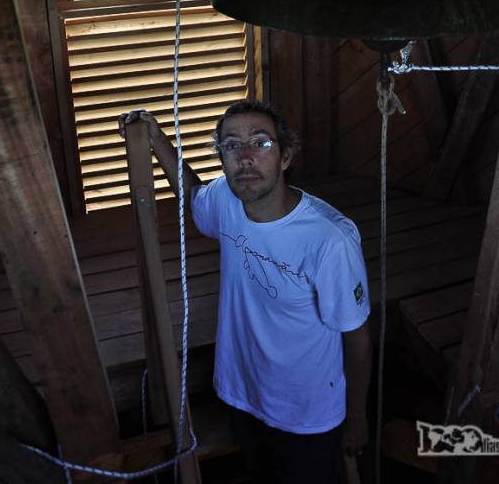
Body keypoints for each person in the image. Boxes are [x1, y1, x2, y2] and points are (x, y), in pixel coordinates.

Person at [119, 100, 372, 484]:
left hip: (308, 413)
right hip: (243, 393)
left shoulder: (329, 240)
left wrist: (357, 416)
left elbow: (356, 337)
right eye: (232, 145)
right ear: (222, 157)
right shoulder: (226, 199)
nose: (246, 157)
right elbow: (194, 198)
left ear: (286, 156)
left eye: (260, 143)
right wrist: (157, 139)